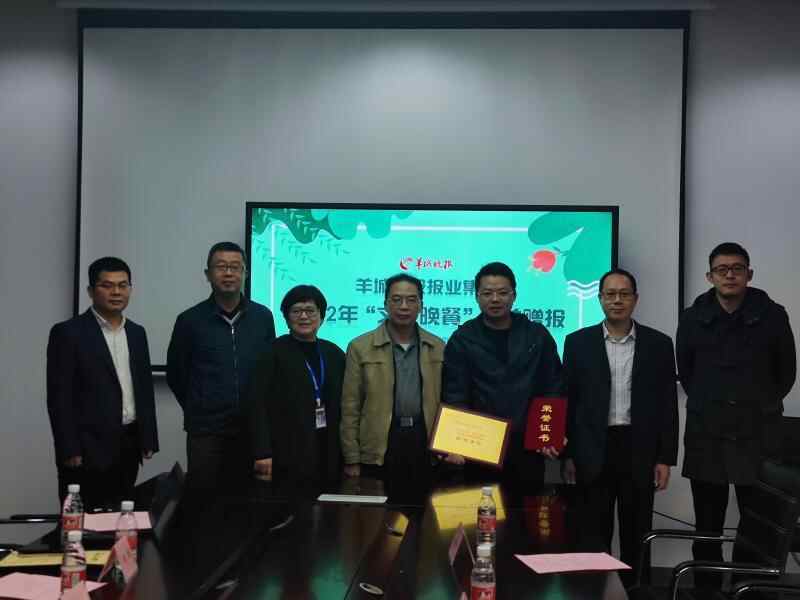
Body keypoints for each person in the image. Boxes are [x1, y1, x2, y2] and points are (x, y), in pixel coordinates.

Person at [677, 242, 796, 590]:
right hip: (707, 433)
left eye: (737, 269)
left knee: (758, 526)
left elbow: (786, 373)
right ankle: (707, 591)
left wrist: (755, 405)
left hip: (758, 433)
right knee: (707, 526)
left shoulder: (773, 315)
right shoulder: (693, 317)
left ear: (749, 274)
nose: (729, 275)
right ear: (709, 276)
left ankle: (752, 592)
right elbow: (687, 372)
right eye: (722, 269)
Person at [561, 268, 678, 584]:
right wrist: (568, 455)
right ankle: (594, 589)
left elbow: (668, 404)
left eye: (624, 294)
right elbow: (569, 402)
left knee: (637, 532)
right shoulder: (577, 343)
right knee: (593, 532)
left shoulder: (659, 344)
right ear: (600, 299)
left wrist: (665, 458)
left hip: (639, 448)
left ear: (635, 299)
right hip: (592, 449)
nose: (617, 300)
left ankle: (635, 590)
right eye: (610, 294)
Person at [47, 257, 159, 509]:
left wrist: (148, 438)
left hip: (128, 443)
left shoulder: (137, 333)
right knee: (84, 521)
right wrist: (69, 448)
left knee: (122, 516)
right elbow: (59, 397)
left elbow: (143, 388)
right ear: (91, 291)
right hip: (86, 448)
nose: (116, 292)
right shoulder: (68, 333)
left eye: (123, 285)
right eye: (107, 285)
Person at [442, 261, 563, 492]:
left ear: (514, 296)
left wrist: (549, 434)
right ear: (477, 297)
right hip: (479, 447)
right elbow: (455, 393)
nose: (495, 299)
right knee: (484, 511)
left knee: (527, 510)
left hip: (528, 447)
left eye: (502, 293)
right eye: (487, 293)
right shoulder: (463, 339)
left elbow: (553, 385)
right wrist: (456, 442)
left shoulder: (536, 335)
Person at [167, 241, 275, 490]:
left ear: (245, 273)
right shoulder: (189, 320)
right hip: (206, 431)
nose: (228, 273)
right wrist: (200, 404)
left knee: (250, 501)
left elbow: (268, 372)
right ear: (208, 274)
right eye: (221, 267)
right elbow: (176, 374)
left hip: (252, 430)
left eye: (235, 267)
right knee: (204, 499)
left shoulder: (262, 317)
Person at [340, 274, 445, 502]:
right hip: (380, 444)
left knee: (423, 513)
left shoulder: (437, 346)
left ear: (421, 305)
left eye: (411, 299)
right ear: (385, 303)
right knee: (377, 519)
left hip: (424, 442)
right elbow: (350, 407)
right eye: (396, 299)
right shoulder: (360, 347)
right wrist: (352, 458)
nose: (404, 306)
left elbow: (448, 401)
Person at [247, 285, 345, 489]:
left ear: (322, 316)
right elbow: (257, 405)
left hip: (328, 447)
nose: (304, 316)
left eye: (310, 311)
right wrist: (262, 451)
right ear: (286, 317)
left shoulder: (334, 353)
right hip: (286, 449)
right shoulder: (271, 353)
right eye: (296, 311)